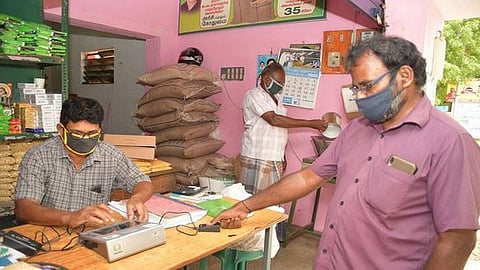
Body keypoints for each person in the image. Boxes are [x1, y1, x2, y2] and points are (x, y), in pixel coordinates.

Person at [212, 35, 480, 270]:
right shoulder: (356, 130)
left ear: (405, 77)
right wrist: (245, 206)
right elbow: (307, 178)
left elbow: (457, 237)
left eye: (367, 86)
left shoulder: (450, 142)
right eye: (356, 88)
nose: (360, 97)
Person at [15, 97, 153, 228]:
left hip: (92, 231)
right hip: (49, 230)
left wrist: (136, 198)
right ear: (61, 130)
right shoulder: (39, 156)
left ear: (100, 130)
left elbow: (142, 182)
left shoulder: (110, 155)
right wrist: (70, 218)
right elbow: (24, 209)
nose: (85, 139)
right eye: (77, 134)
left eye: (92, 134)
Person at [240, 62, 327, 195]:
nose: (281, 86)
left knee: (271, 202)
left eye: (283, 83)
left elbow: (280, 130)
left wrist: (283, 156)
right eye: (279, 82)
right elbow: (274, 120)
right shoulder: (254, 95)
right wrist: (311, 123)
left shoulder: (277, 99)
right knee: (256, 200)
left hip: (275, 157)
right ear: (266, 79)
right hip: (258, 156)